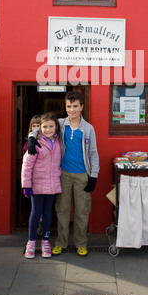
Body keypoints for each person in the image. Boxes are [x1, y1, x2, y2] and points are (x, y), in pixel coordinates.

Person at [28, 91, 99, 257]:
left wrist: (94, 175)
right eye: (68, 106)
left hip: (82, 175)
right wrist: (32, 137)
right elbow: (40, 127)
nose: (72, 110)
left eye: (75, 106)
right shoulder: (60, 124)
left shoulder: (88, 129)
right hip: (64, 175)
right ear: (65, 107)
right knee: (62, 210)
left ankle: (81, 243)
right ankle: (61, 243)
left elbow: (93, 153)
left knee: (81, 212)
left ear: (81, 107)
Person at [21, 112, 62, 258]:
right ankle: (31, 242)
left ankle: (45, 241)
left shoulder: (58, 141)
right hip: (37, 185)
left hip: (51, 185)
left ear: (56, 127)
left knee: (48, 213)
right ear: (40, 128)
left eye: (51, 126)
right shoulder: (36, 142)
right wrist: (26, 185)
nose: (48, 130)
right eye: (44, 127)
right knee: (35, 213)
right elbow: (27, 165)